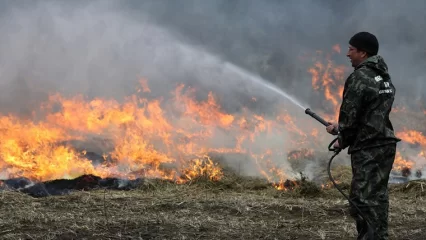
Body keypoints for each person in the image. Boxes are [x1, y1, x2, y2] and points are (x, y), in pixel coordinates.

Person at [325, 32, 401, 240]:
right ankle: (380, 236)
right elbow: (370, 113)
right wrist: (343, 128)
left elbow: (350, 117)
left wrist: (341, 135)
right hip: (384, 143)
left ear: (363, 52)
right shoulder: (383, 75)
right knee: (378, 197)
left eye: (351, 49)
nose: (347, 53)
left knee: (362, 200)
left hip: (368, 147)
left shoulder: (360, 77)